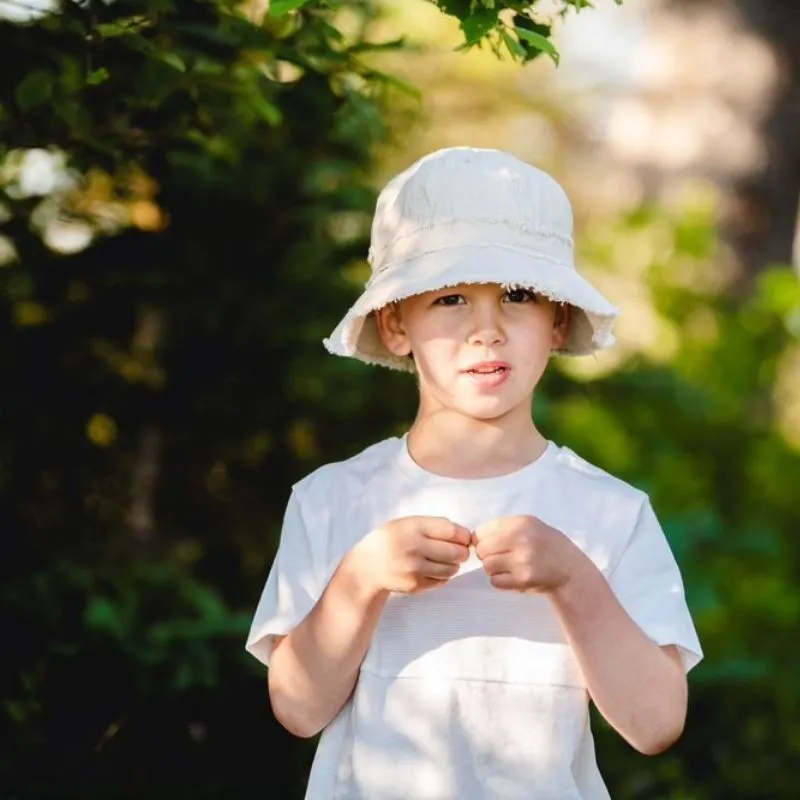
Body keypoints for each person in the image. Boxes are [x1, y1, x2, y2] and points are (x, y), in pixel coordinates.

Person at [245, 147, 703, 799]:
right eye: (452, 298)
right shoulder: (332, 501)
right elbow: (297, 709)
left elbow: (656, 724)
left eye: (517, 296)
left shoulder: (609, 512)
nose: (486, 331)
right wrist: (361, 580)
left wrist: (575, 579)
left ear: (557, 320)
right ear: (396, 322)